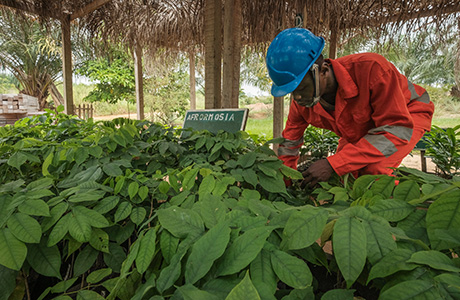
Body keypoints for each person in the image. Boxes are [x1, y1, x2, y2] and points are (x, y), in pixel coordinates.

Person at [266, 28, 434, 187]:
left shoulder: (372, 68)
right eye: (292, 92)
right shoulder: (302, 101)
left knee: (374, 172)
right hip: (364, 127)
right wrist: (285, 184)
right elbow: (289, 143)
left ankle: (393, 211)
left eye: (302, 89)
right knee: (346, 175)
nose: (297, 98)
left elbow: (396, 129)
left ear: (323, 70)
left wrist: (333, 164)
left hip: (406, 115)